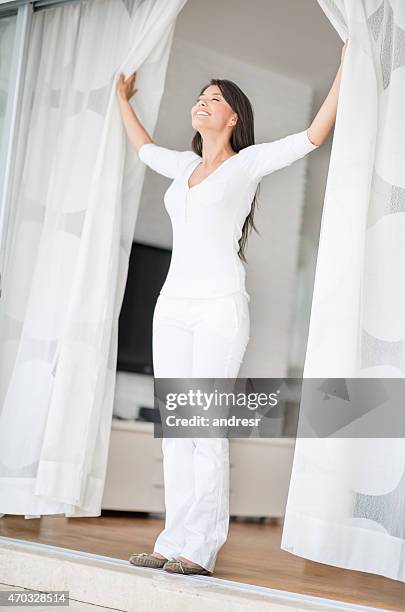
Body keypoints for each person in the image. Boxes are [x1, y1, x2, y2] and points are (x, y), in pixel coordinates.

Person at [116, 39, 348, 577]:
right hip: (171, 307)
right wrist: (122, 99)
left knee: (203, 425)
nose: (202, 101)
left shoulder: (247, 165)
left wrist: (344, 68)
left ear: (233, 115)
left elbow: (315, 135)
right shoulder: (182, 167)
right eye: (199, 96)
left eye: (213, 97)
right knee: (176, 427)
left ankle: (201, 548)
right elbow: (143, 147)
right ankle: (172, 540)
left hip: (219, 308)